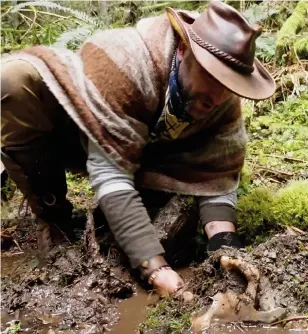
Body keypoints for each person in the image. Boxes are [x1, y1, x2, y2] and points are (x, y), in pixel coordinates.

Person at [1, 1, 275, 296]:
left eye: (229, 84)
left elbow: (218, 176)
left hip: (152, 154)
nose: (218, 96)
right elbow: (111, 173)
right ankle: (54, 220)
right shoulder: (125, 61)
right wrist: (155, 268)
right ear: (183, 51)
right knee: (12, 80)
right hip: (82, 131)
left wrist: (224, 245)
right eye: (211, 76)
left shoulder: (221, 102)